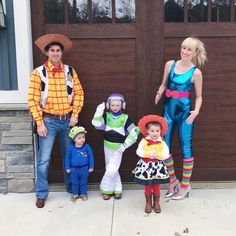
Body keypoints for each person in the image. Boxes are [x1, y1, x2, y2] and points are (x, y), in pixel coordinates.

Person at [28, 34, 84, 208]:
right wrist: (39, 122)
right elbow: (32, 99)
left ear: (62, 53)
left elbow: (79, 94)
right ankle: (41, 194)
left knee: (69, 156)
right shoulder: (38, 73)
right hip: (48, 122)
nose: (55, 53)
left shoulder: (70, 71)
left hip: (67, 121)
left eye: (58, 50)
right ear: (46, 53)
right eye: (52, 50)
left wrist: (75, 114)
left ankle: (70, 187)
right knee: (44, 159)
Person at [154, 37, 207, 200]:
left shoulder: (196, 73)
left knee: (186, 148)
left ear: (195, 53)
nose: (184, 52)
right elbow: (164, 84)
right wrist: (159, 92)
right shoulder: (170, 65)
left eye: (189, 49)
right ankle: (172, 181)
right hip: (168, 111)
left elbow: (199, 96)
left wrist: (196, 111)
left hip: (185, 114)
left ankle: (185, 186)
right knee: (164, 147)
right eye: (183, 48)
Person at [92, 93, 139, 200]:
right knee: (111, 167)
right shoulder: (107, 116)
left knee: (112, 168)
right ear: (109, 105)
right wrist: (99, 111)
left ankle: (106, 190)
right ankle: (117, 189)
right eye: (113, 105)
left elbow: (135, 131)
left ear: (122, 105)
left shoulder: (125, 118)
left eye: (117, 105)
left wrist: (125, 145)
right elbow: (96, 124)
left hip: (118, 147)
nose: (115, 108)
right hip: (107, 145)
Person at [132, 115, 170, 213]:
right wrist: (148, 154)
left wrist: (158, 156)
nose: (155, 133)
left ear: (160, 131)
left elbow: (166, 154)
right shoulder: (144, 141)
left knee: (156, 185)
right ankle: (148, 203)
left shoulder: (162, 143)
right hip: (146, 167)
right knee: (148, 185)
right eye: (152, 131)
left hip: (157, 167)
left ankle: (156, 203)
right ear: (147, 131)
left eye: (157, 131)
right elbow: (138, 152)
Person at [65, 126, 94, 202]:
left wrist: (91, 166)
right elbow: (67, 158)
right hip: (74, 169)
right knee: (74, 182)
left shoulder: (86, 147)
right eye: (79, 138)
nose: (82, 139)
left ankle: (83, 194)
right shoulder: (71, 148)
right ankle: (75, 194)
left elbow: (91, 157)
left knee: (83, 182)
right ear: (74, 139)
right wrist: (67, 167)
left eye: (83, 137)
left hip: (84, 168)